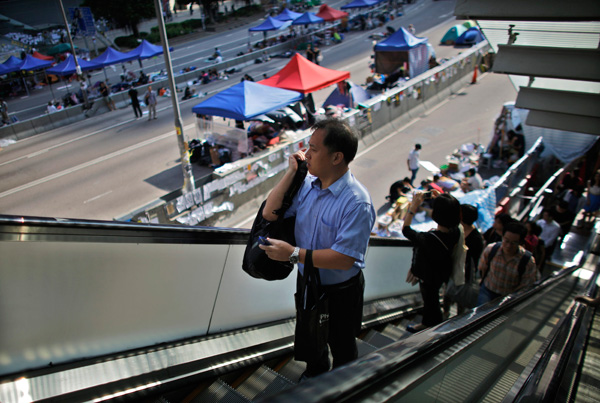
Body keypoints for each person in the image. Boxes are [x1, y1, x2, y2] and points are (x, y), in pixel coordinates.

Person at [259, 118, 375, 379]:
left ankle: (343, 385)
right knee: (310, 336)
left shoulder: (357, 203)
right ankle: (315, 373)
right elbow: (269, 212)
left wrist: (292, 254)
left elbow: (345, 259)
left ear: (336, 158)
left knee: (342, 343)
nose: (306, 153)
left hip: (341, 291)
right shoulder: (308, 186)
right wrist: (291, 173)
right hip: (309, 281)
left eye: (313, 148)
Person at [403, 191, 460, 332]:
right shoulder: (455, 231)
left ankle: (429, 324)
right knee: (433, 298)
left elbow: (406, 230)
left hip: (428, 276)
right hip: (441, 272)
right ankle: (431, 321)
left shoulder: (428, 238)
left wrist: (413, 207)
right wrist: (441, 198)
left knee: (430, 300)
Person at [477, 222, 539, 305]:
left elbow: (526, 284)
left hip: (509, 299)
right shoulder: (491, 249)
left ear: (520, 242)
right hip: (488, 291)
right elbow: (482, 268)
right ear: (502, 237)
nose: (508, 245)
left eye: (513, 243)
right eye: (506, 240)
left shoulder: (527, 261)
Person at [444, 204, 484, 316]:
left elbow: (474, 259)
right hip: (451, 269)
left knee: (460, 297)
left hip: (464, 273)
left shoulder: (476, 238)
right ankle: (446, 312)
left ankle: (458, 317)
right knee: (447, 294)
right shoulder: (456, 229)